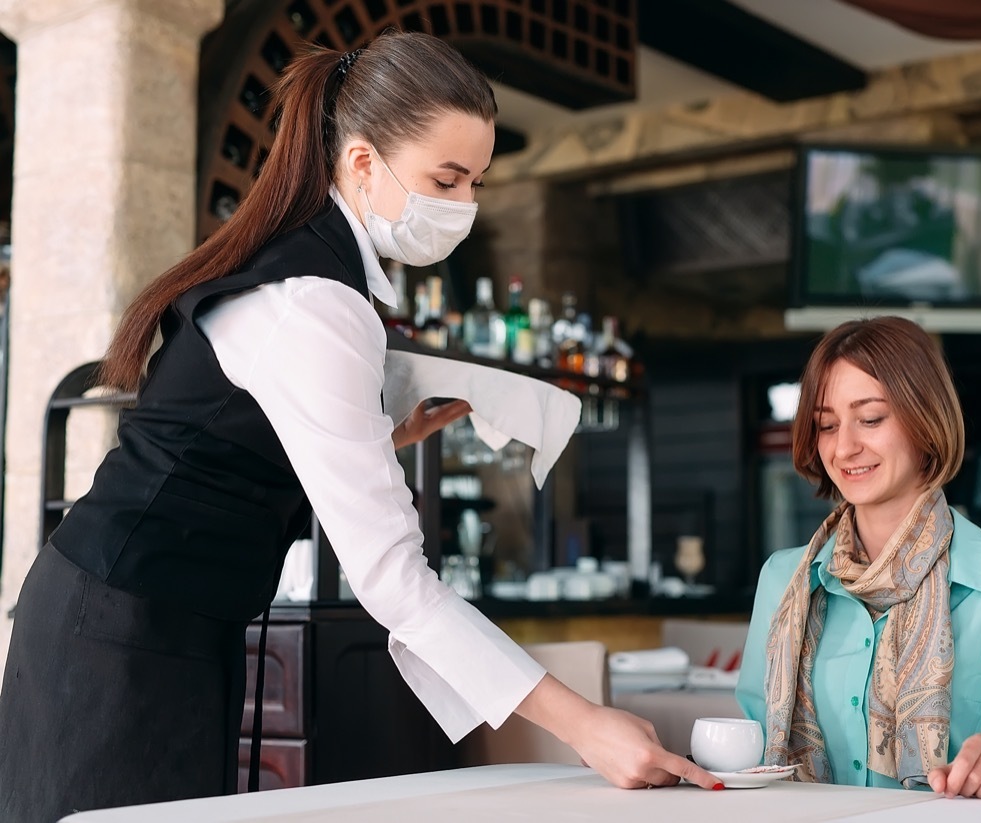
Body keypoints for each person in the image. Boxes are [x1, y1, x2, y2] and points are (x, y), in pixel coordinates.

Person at [0, 30, 718, 822]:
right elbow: (395, 582)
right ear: (363, 163)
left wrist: (387, 438)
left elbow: (244, 448)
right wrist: (585, 726)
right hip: (117, 627)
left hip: (159, 618)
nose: (463, 206)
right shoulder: (317, 301)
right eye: (445, 179)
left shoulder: (315, 271)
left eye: (475, 182)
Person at [735, 316, 981, 805]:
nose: (844, 447)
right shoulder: (783, 579)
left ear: (926, 419)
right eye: (826, 425)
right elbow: (750, 765)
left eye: (872, 418)